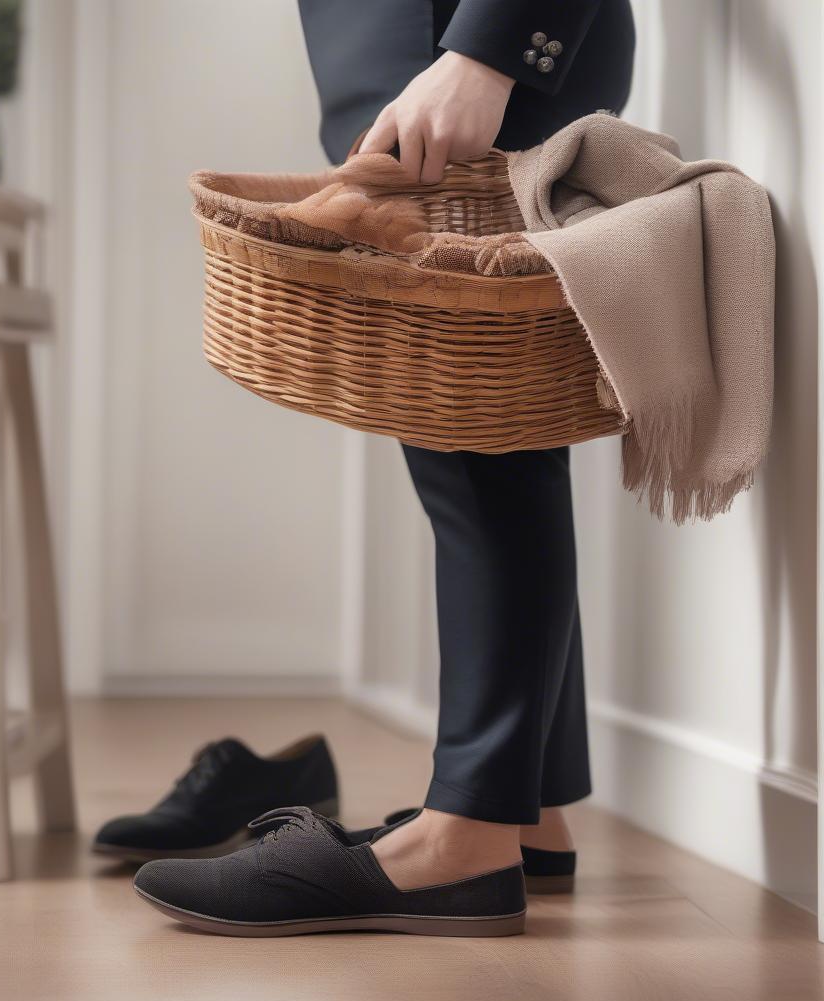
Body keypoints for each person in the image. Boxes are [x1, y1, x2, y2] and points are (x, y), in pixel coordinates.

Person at [131, 0, 636, 937]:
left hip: (458, 35)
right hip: (412, 43)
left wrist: (485, 52)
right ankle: (532, 811)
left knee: (478, 437)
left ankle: (468, 837)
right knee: (481, 424)